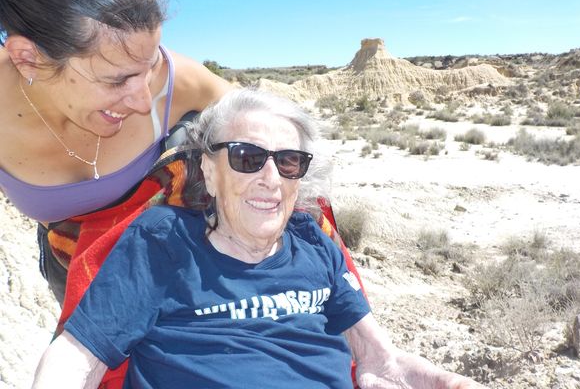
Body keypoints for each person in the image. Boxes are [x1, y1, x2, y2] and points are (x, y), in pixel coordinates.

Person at [32, 89, 486, 389]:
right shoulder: (163, 242)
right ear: (209, 172)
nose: (271, 178)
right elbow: (79, 358)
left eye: (288, 162)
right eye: (248, 157)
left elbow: (376, 357)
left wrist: (444, 381)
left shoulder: (315, 243)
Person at [0, 0, 231, 304]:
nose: (143, 102)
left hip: (175, 267)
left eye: (149, 67)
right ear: (28, 59)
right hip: (69, 270)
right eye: (116, 80)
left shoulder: (175, 81)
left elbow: (273, 129)